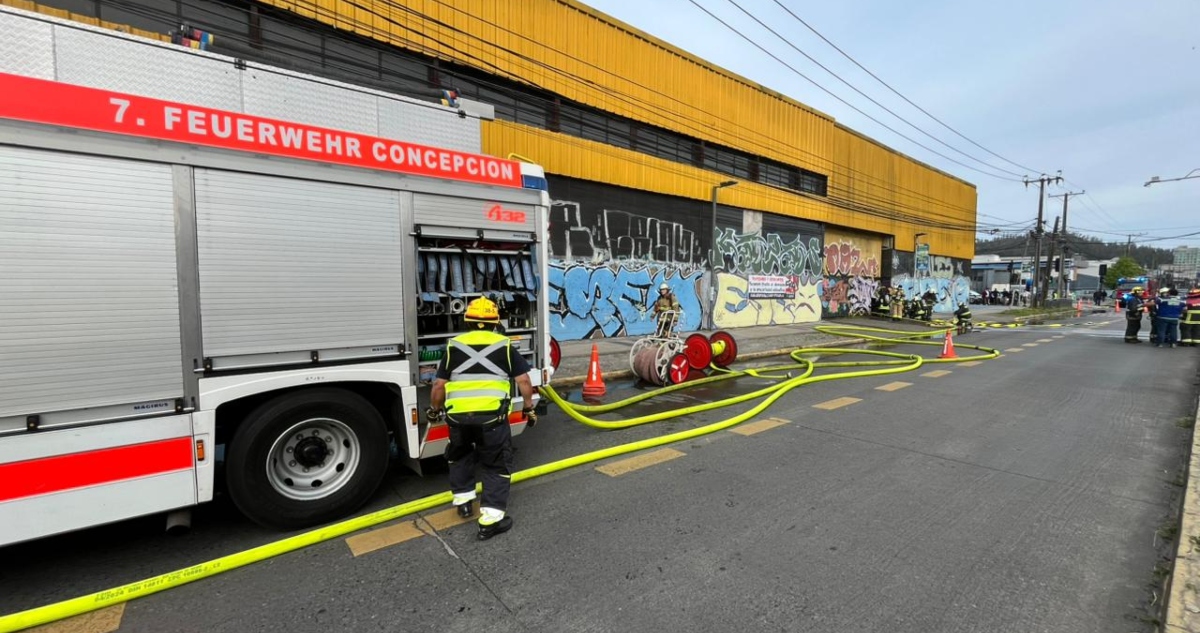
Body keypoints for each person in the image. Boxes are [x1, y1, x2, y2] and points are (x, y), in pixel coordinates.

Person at [428, 297, 536, 541]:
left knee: (460, 456)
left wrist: (434, 410)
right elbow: (524, 382)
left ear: (467, 320)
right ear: (495, 322)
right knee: (495, 465)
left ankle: (464, 502)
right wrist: (528, 408)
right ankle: (490, 520)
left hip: (457, 417)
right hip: (491, 419)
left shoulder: (453, 346)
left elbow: (438, 385)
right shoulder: (505, 346)